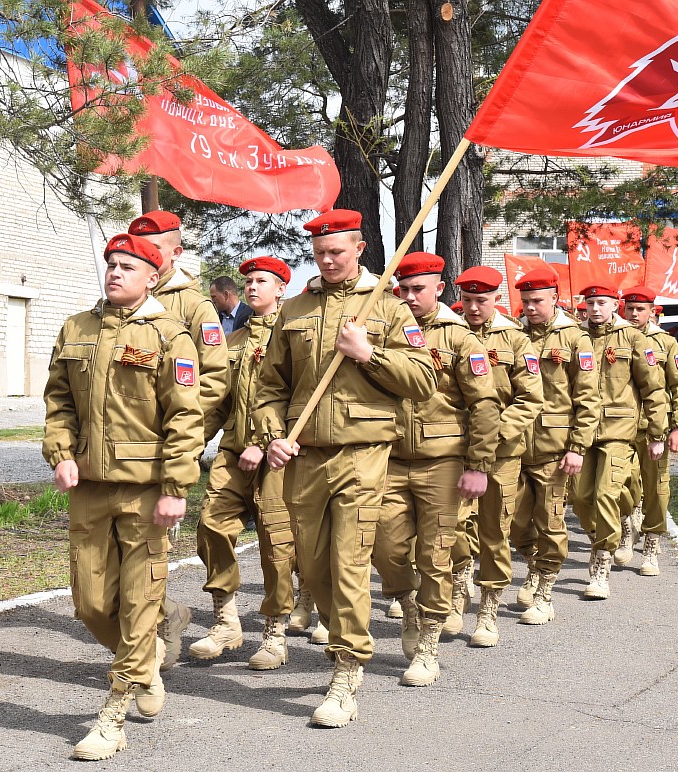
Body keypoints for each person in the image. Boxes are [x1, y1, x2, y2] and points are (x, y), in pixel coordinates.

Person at [254, 209, 436, 727]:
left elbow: (423, 380)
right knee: (312, 566)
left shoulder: (389, 307)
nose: (328, 260)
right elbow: (270, 387)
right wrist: (272, 436)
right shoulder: (294, 309)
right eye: (319, 253)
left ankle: (346, 668)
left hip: (363, 452)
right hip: (305, 453)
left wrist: (368, 353)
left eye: (337, 251)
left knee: (349, 559)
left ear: (359, 247)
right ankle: (348, 636)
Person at [43, 233, 203, 760]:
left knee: (139, 602)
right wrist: (60, 452)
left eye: (127, 267)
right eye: (111, 264)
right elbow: (59, 401)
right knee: (90, 603)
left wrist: (176, 487)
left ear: (151, 277)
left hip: (146, 490)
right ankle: (147, 661)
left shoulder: (170, 335)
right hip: (89, 485)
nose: (114, 272)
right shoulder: (76, 328)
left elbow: (184, 417)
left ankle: (114, 712)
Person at [372, 252, 503, 685]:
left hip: (442, 462)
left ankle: (427, 646)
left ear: (439, 289)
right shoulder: (386, 330)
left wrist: (478, 465)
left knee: (434, 554)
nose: (408, 297)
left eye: (417, 290)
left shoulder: (461, 338)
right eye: (402, 290)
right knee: (386, 548)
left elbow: (485, 403)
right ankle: (407, 604)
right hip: (388, 459)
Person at [128, 210, 228, 667]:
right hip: (123, 447)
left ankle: (154, 636)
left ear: (176, 252)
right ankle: (167, 614)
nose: (141, 253)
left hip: (169, 445)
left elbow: (212, 378)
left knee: (153, 543)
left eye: (156, 247)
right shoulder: (123, 296)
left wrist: (185, 437)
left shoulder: (194, 306)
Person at [190, 256, 297, 671]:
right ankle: (226, 621)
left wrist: (269, 441)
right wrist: (190, 442)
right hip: (234, 453)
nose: (252, 287)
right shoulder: (232, 342)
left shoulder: (293, 338)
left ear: (281, 289)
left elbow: (304, 401)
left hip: (281, 457)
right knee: (211, 527)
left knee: (276, 544)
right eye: (248, 281)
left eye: (262, 281)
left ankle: (275, 633)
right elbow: (217, 403)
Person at [454, 266, 543, 646]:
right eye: (468, 300)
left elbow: (531, 398)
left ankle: (488, 608)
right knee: (452, 529)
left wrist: (492, 436)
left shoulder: (516, 340)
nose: (474, 308)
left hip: (502, 454)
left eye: (482, 300)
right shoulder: (450, 334)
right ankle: (457, 591)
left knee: (494, 532)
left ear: (496, 300)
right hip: (453, 450)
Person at [510, 268, 602, 625]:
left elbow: (588, 398)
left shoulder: (575, 339)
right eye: (526, 301)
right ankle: (534, 563)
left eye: (537, 301)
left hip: (554, 447)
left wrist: (577, 447)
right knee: (515, 523)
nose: (530, 307)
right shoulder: (512, 335)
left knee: (550, 521)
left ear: (555, 298)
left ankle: (545, 591)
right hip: (514, 445)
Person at [573, 284, 668, 600]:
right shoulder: (577, 337)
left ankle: (602, 566)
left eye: (602, 303)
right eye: (591, 303)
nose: (595, 309)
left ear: (615, 304)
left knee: (604, 495)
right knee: (580, 497)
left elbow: (653, 390)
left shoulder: (633, 339)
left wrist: (657, 434)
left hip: (619, 432)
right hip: (583, 432)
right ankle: (618, 526)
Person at [617, 286, 678, 576]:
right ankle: (627, 527)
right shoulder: (614, 338)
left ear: (652, 311)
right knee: (620, 485)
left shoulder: (666, 342)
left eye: (641, 309)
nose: (634, 314)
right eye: (630, 308)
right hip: (618, 427)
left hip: (654, 428)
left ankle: (651, 543)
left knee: (657, 489)